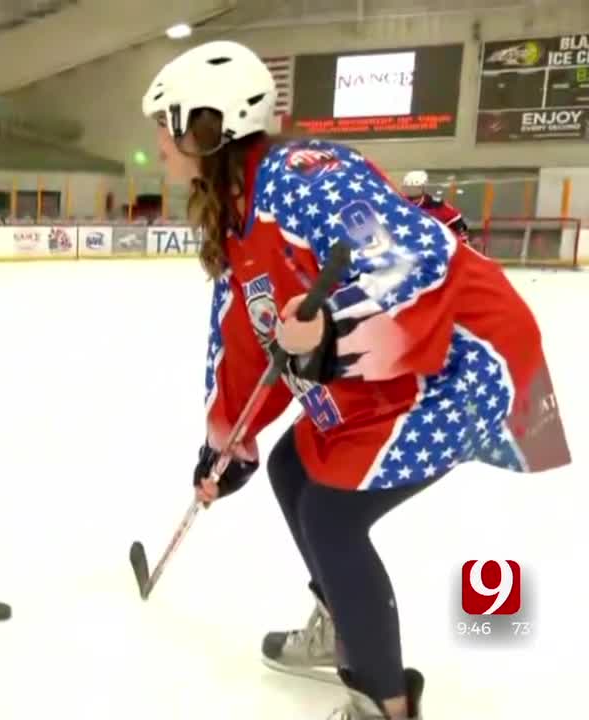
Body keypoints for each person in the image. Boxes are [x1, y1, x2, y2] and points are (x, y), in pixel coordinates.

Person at [140, 41, 569, 719]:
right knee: (291, 467)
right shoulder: (237, 206)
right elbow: (245, 345)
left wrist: (332, 330)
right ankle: (345, 624)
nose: (157, 143)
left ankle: (385, 704)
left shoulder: (308, 177)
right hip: (402, 362)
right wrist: (231, 445)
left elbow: (413, 261)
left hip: (466, 353)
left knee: (332, 515)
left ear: (206, 127)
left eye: (164, 125)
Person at [401, 171, 471, 247]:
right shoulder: (399, 202)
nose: (410, 190)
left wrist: (463, 241)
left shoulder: (435, 204)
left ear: (422, 187)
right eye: (407, 187)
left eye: (414, 187)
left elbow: (457, 220)